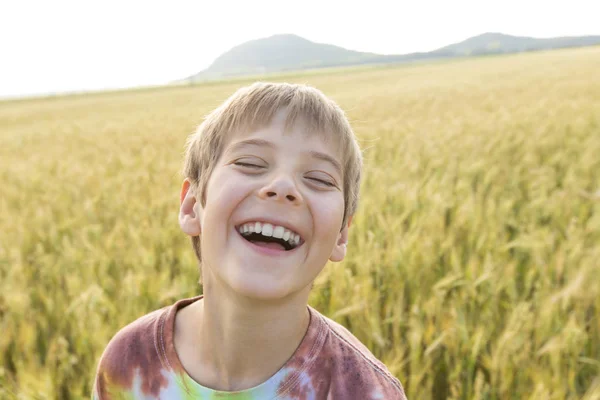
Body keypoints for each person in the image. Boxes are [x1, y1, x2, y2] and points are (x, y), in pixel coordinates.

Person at [92, 82, 407, 399]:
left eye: (319, 178)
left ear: (341, 234)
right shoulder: (128, 362)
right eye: (250, 163)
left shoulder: (363, 390)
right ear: (192, 206)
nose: (282, 186)